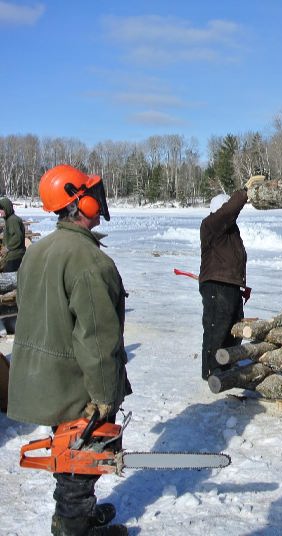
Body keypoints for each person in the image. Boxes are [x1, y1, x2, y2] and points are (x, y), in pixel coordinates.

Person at [7, 164, 130, 536]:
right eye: (92, 195)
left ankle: (78, 514)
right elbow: (97, 338)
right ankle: (74, 527)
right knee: (82, 450)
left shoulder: (38, 251)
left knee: (68, 448)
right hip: (76, 380)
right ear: (80, 204)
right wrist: (105, 396)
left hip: (45, 376)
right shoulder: (89, 260)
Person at [199, 189, 249, 381]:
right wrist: (243, 193)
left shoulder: (230, 230)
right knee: (216, 329)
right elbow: (228, 211)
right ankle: (212, 370)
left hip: (231, 286)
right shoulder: (210, 224)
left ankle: (227, 363)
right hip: (216, 286)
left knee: (233, 328)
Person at [0, 197, 26, 334]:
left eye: (1, 209)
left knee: (11, 283)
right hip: (11, 255)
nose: (0, 212)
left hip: (16, 256)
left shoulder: (13, 220)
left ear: (7, 208)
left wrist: (8, 248)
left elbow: (18, 237)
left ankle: (11, 311)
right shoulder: (8, 220)